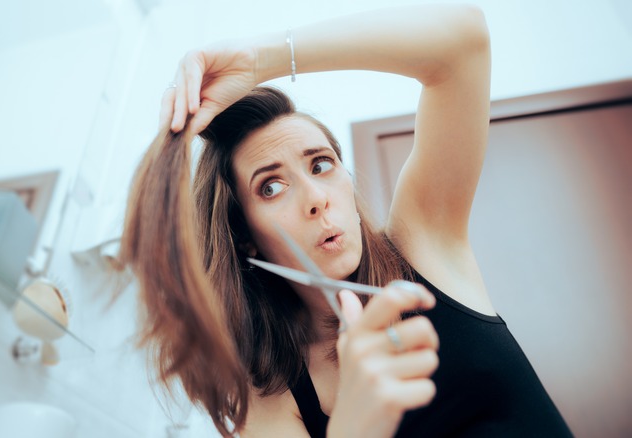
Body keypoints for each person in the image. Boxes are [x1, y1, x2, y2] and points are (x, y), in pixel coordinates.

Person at [121, 3, 572, 437]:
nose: (316, 199)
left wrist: (263, 59)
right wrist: (356, 424)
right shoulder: (267, 399)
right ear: (244, 238)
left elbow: (465, 41)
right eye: (271, 187)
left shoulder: (424, 244)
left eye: (320, 165)